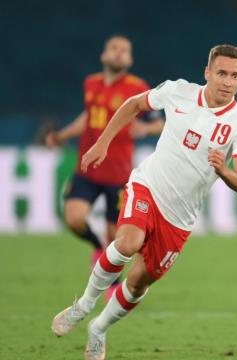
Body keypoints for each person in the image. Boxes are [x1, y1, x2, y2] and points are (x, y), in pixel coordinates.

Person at [51, 44, 237, 360]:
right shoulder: (178, 91)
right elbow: (133, 105)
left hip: (180, 218)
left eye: (235, 76)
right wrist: (103, 142)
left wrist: (224, 169)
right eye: (222, 73)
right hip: (147, 186)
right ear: (207, 73)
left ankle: (98, 329)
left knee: (138, 282)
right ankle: (84, 304)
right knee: (128, 242)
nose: (227, 82)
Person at [45, 35, 164, 297]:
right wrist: (62, 136)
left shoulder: (137, 87)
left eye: (125, 50)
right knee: (75, 220)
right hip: (87, 169)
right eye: (114, 48)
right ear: (104, 55)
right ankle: (96, 246)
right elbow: (88, 117)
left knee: (117, 237)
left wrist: (145, 128)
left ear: (130, 59)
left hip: (119, 176)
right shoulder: (91, 83)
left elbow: (160, 122)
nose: (119, 53)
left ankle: (111, 284)